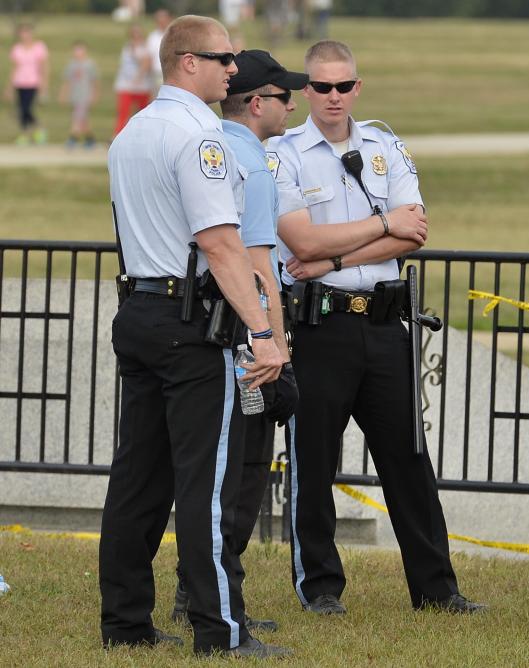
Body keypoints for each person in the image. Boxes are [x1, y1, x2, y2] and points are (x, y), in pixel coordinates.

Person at [268, 39, 484, 616]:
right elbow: (302, 242)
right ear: (305, 90)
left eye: (344, 86)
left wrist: (337, 258)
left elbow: (415, 232)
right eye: (320, 86)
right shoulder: (285, 154)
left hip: (386, 325)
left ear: (358, 88)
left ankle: (437, 591)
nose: (333, 97)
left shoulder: (386, 147)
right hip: (322, 328)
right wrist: (379, 225)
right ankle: (319, 588)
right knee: (314, 460)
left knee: (409, 459)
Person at [100, 14, 290, 658]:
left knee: (137, 478)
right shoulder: (201, 136)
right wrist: (263, 332)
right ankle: (221, 632)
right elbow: (220, 242)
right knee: (204, 485)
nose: (233, 70)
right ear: (188, 61)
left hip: (141, 309)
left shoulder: (131, 133)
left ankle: (124, 623)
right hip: (191, 321)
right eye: (223, 58)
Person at [169, 48, 306, 634]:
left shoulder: (226, 147)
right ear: (256, 104)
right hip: (245, 332)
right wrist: (274, 339)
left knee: (230, 470)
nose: (292, 105)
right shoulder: (245, 157)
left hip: (211, 325)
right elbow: (255, 258)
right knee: (241, 472)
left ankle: (208, 592)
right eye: (282, 97)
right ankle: (212, 597)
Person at [5, 23, 49, 145]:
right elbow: (14, 68)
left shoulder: (39, 47)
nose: (25, 35)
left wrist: (44, 86)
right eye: (22, 33)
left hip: (33, 82)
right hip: (19, 82)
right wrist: (9, 87)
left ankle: (39, 129)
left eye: (27, 32)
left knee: (26, 108)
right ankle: (25, 134)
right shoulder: (17, 49)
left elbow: (43, 67)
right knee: (22, 110)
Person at [113, 24, 153, 136]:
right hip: (125, 85)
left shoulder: (145, 48)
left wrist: (138, 77)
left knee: (142, 113)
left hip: (142, 86)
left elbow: (146, 64)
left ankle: (143, 135)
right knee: (123, 112)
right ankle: (118, 134)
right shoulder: (127, 47)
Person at [58, 40, 99, 149]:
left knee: (77, 117)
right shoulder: (71, 65)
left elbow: (94, 81)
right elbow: (67, 81)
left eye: (80, 49)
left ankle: (73, 138)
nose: (77, 52)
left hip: (85, 95)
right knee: (83, 119)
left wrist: (95, 95)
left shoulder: (89, 64)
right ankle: (90, 139)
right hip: (75, 95)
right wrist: (63, 94)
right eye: (75, 50)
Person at [146, 8, 174, 93]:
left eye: (163, 18)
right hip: (157, 74)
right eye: (159, 19)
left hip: (173, 74)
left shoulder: (175, 35)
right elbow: (149, 57)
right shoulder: (152, 37)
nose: (161, 21)